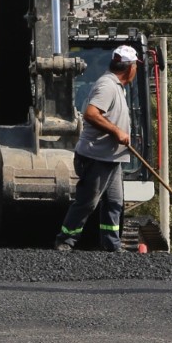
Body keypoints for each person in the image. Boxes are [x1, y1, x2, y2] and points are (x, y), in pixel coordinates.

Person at [56, 44, 139, 253]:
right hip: (96, 156)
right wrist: (116, 132)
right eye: (136, 66)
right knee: (87, 202)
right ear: (130, 68)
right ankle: (65, 240)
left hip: (112, 158)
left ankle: (111, 245)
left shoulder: (117, 87)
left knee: (114, 202)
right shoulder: (107, 86)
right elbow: (91, 114)